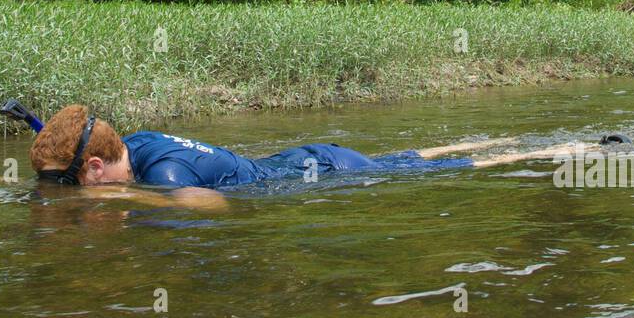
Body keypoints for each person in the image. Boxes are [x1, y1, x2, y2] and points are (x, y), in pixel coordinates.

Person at [29, 104, 599, 212]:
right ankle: (481, 139)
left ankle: (555, 149)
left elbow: (212, 208)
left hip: (327, 170)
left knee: (419, 170)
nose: (64, 195)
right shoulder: (141, 139)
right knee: (398, 157)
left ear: (96, 168)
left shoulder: (164, 175)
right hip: (310, 157)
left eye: (66, 186)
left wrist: (136, 205)